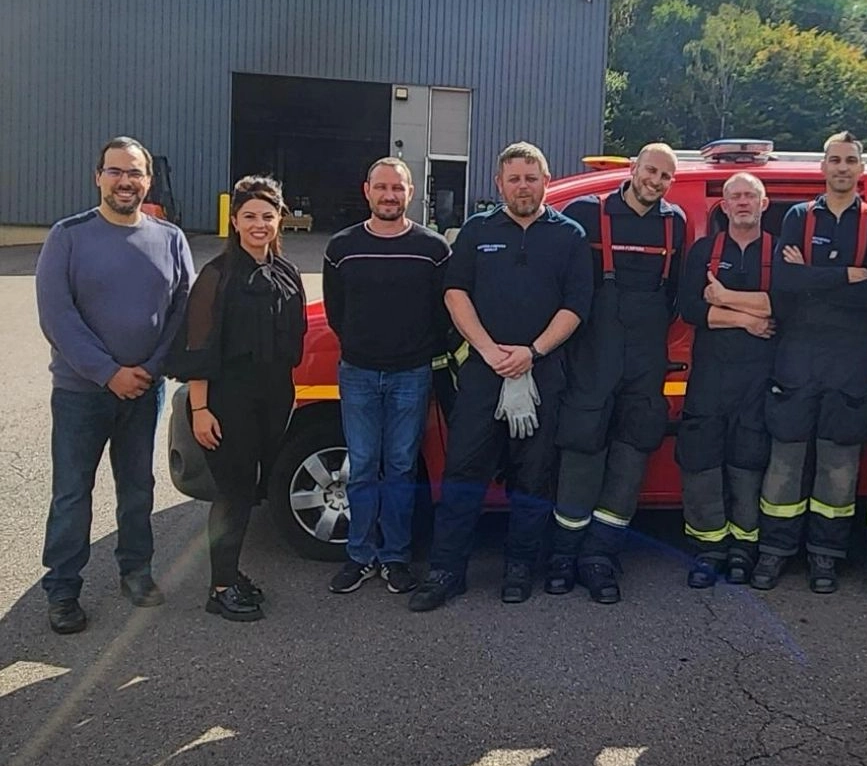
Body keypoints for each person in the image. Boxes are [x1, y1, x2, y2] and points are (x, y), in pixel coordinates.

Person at [409, 143, 592, 611]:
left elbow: (576, 306)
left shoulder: (570, 236)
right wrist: (491, 352)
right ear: (499, 184)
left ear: (546, 180)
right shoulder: (477, 230)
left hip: (543, 373)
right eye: (514, 179)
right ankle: (447, 571)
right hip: (483, 374)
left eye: (531, 178)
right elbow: (455, 294)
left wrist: (532, 352)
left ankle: (519, 569)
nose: (522, 187)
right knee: (463, 471)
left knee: (533, 477)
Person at [35, 137, 194, 635]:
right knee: (72, 493)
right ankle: (63, 589)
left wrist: (152, 367)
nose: (125, 182)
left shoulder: (170, 238)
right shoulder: (68, 236)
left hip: (144, 389)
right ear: (98, 177)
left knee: (137, 487)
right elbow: (57, 316)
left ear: (148, 180)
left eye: (135, 173)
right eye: (116, 172)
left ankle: (136, 571)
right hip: (80, 393)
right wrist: (108, 372)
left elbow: (183, 309)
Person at [753, 131, 867, 594]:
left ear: (861, 168)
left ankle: (825, 557)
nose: (842, 167)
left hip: (851, 364)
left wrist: (813, 277)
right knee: (785, 462)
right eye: (835, 160)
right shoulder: (798, 216)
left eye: (850, 160)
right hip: (797, 359)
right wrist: (846, 275)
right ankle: (774, 552)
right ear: (823, 167)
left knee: (838, 466)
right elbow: (785, 282)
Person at [552, 143, 687, 603]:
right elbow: (561, 284)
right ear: (634, 168)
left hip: (644, 367)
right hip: (592, 360)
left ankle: (600, 557)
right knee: (581, 456)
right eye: (651, 170)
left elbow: (674, 296)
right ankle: (563, 555)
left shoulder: (675, 223)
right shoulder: (586, 213)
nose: (656, 181)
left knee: (631, 459)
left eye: (665, 176)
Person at [169, 176, 306, 622]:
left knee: (251, 491)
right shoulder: (216, 276)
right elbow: (198, 347)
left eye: (267, 215)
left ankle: (230, 573)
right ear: (234, 220)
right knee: (233, 492)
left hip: (273, 397)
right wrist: (200, 409)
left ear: (279, 219)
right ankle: (221, 587)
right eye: (249, 216)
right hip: (228, 400)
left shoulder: (286, 273)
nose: (259, 224)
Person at [322, 157, 450, 596]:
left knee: (400, 468)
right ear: (367, 191)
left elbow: (442, 313)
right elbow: (336, 312)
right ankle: (359, 556)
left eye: (398, 188)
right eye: (382, 187)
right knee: (361, 468)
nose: (389, 195)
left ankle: (395, 558)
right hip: (357, 372)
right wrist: (362, 346)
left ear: (410, 192)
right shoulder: (342, 248)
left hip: (411, 375)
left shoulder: (433, 249)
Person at [676, 173, 778, 588]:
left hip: (758, 379)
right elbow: (689, 308)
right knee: (701, 460)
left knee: (749, 460)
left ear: (763, 203)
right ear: (725, 205)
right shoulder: (704, 251)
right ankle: (709, 549)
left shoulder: (780, 252)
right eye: (735, 196)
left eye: (750, 195)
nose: (742, 202)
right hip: (710, 377)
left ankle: (743, 550)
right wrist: (747, 320)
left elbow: (784, 306)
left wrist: (723, 300)